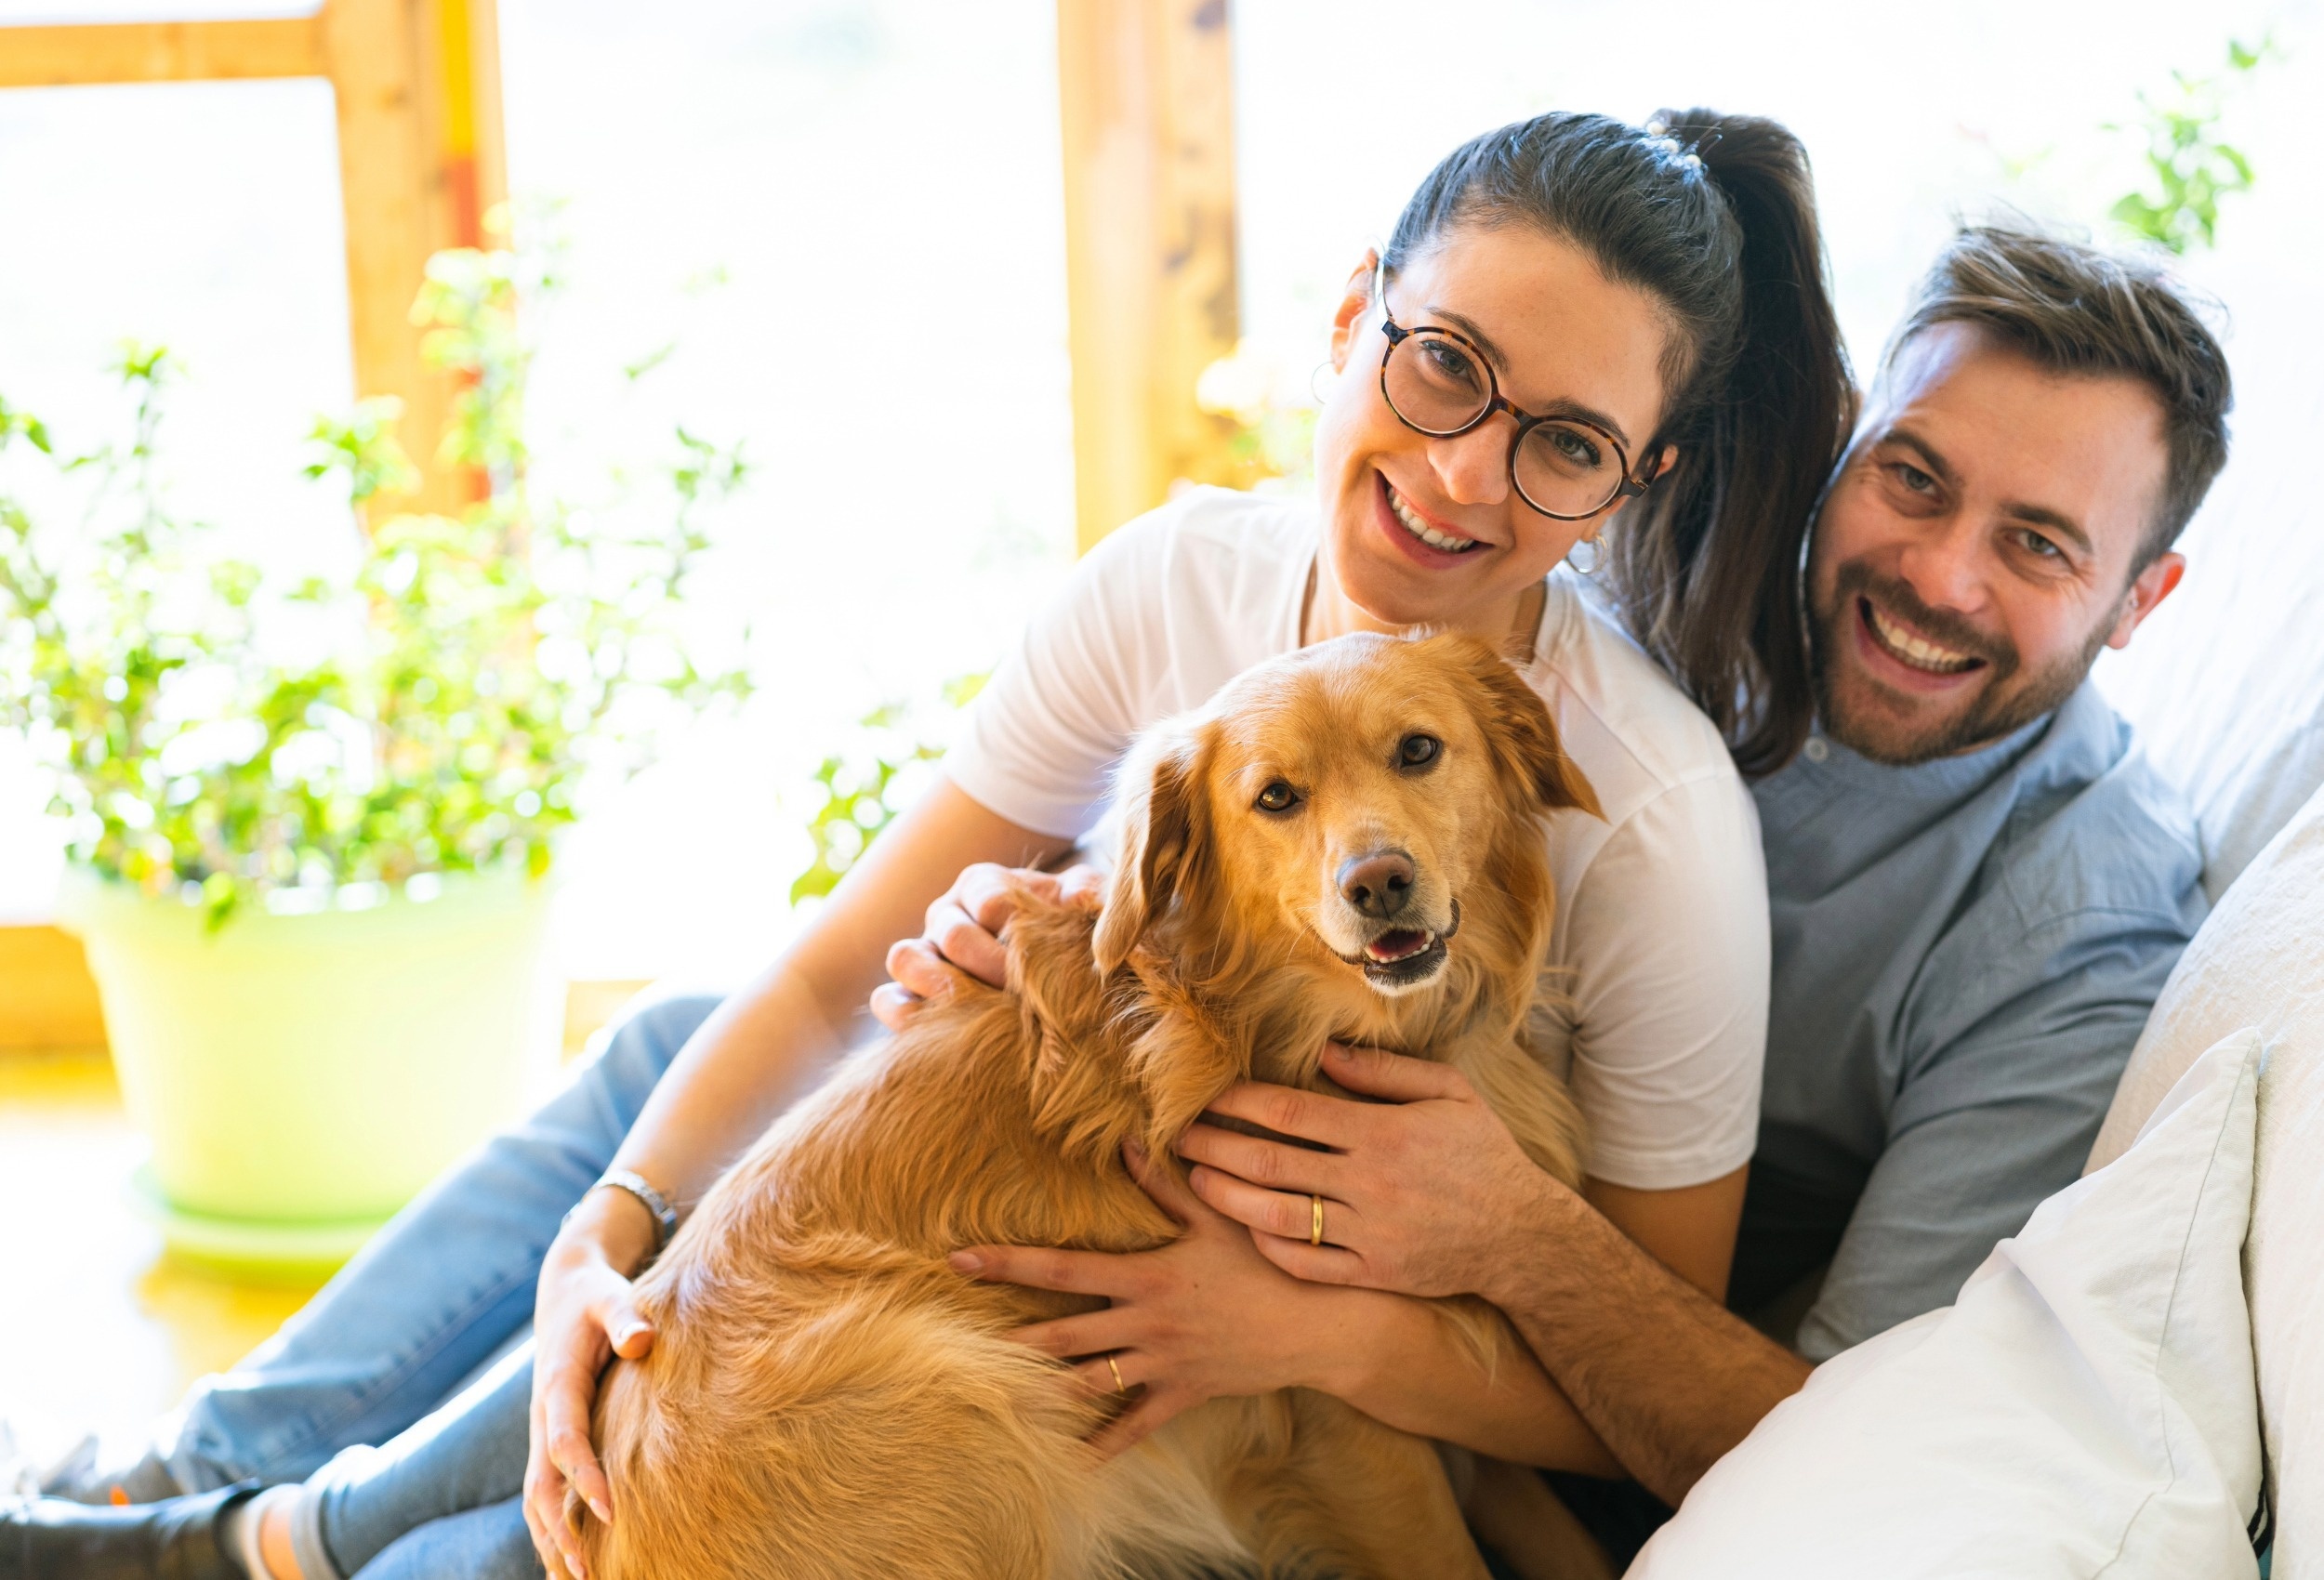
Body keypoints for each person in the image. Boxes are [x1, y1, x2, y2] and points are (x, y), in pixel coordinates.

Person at [3, 107, 1851, 1580]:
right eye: (1440, 365)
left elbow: (1641, 1378)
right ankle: (216, 1481)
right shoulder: (1174, 588)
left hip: (1197, 1347)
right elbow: (833, 970)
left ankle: (271, 1541)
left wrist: (1301, 1329)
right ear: (1352, 309)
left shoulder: (1652, 816)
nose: (1461, 473)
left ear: (1641, 479)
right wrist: (600, 1254)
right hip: (999, 1236)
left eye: (1560, 443)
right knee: (686, 1048)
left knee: (569, 1521)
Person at [968, 223, 2222, 1565]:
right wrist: (1044, 914)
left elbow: (1858, 1450)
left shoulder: (2074, 932)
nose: (1938, 576)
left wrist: (1494, 1243)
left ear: (2143, 601)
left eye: (2039, 545)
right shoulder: (1636, 569)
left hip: (1570, 1387)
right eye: (1912, 479)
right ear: (1841, 451)